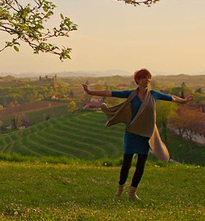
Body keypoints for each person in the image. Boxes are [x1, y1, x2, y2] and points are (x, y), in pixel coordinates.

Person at [82, 69, 193, 200]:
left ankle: (132, 192)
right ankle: (120, 188)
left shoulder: (153, 95)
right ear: (138, 80)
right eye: (144, 77)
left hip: (146, 134)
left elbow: (171, 98)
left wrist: (184, 101)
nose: (147, 80)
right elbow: (110, 93)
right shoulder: (131, 94)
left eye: (149, 77)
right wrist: (90, 92)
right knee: (126, 164)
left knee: (141, 165)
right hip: (132, 133)